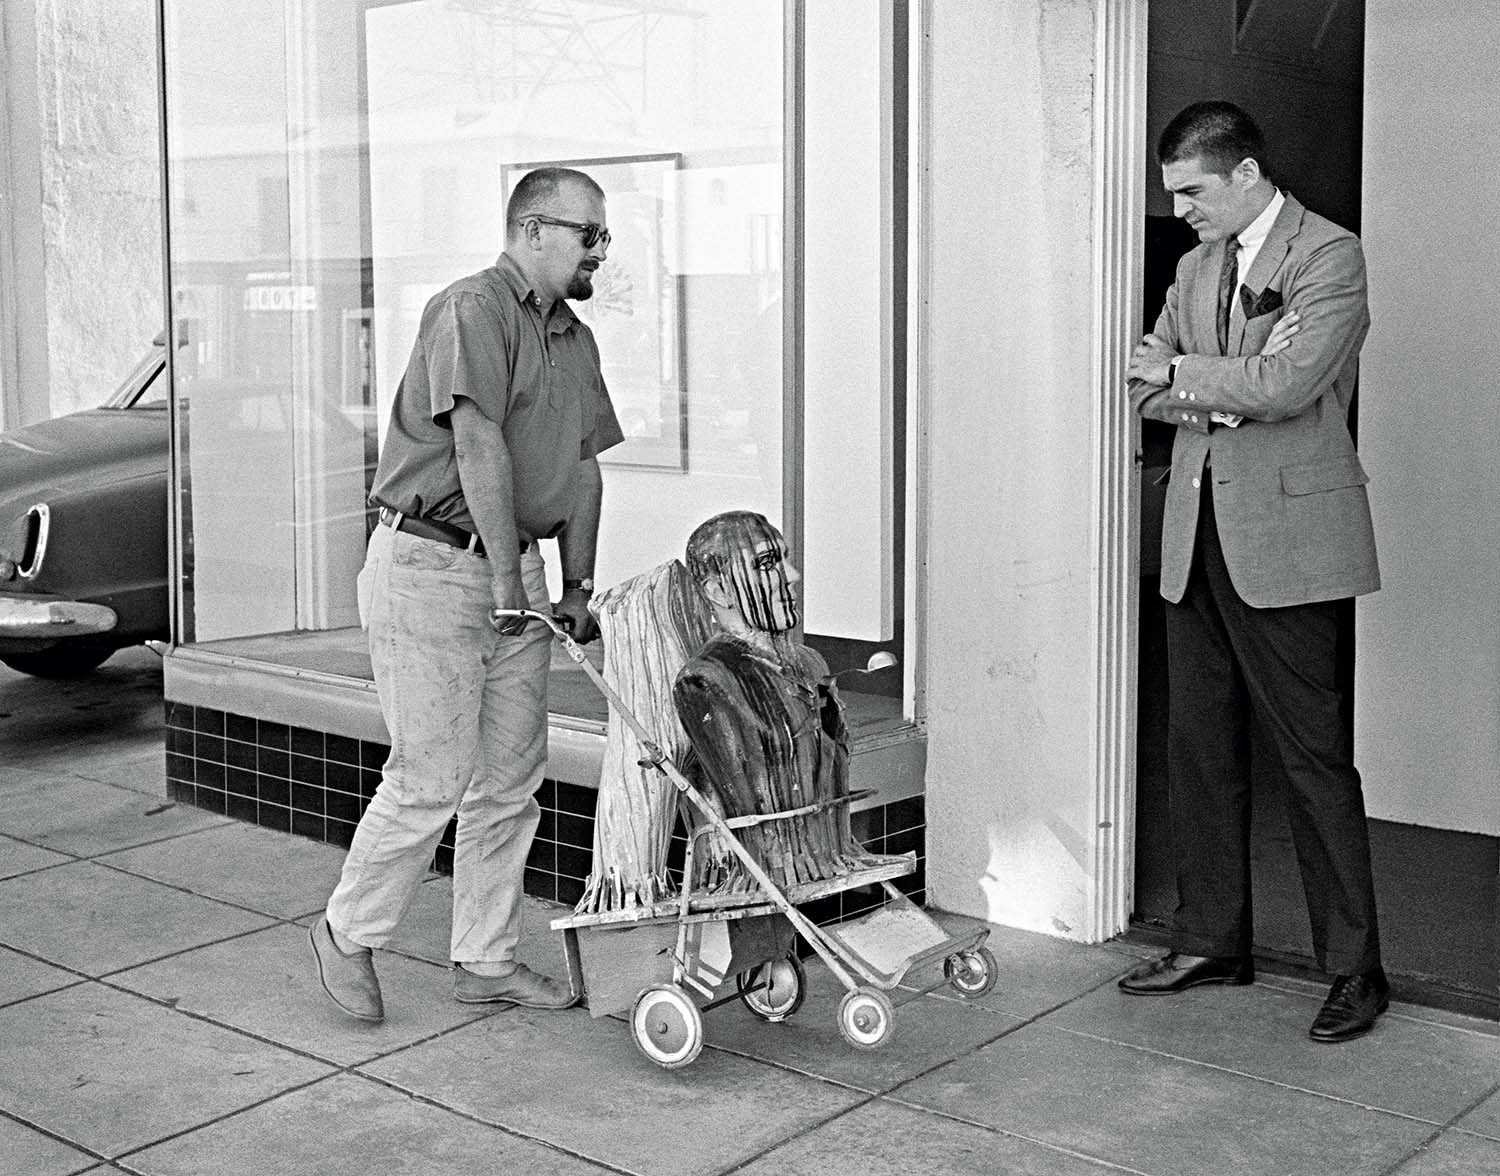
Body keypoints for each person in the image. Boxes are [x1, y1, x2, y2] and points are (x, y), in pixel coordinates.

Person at [309, 167, 624, 1021]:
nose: (602, 248)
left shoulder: (574, 339)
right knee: (430, 776)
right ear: (531, 230)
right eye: (587, 233)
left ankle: (483, 959)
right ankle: (347, 932)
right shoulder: (472, 309)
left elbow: (586, 465)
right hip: (435, 565)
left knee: (510, 782)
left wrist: (575, 584)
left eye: (605, 234)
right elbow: (479, 444)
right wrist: (498, 580)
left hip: (509, 571)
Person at [1120, 102, 1387, 1042]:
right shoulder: (1194, 268)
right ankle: (1211, 940)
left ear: (1243, 174)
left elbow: (1288, 384)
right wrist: (1207, 380)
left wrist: (1192, 375)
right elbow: (1145, 383)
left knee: (1313, 762)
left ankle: (1355, 969)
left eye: (1191, 190)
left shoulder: (1328, 256)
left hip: (1290, 546)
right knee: (1199, 748)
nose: (1181, 210)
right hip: (1196, 535)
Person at [673, 511, 904, 892]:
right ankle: (764, 953)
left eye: (785, 558)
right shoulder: (707, 678)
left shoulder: (809, 662)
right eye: (768, 563)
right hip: (767, 866)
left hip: (827, 851)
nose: (792, 575)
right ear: (718, 591)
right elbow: (745, 792)